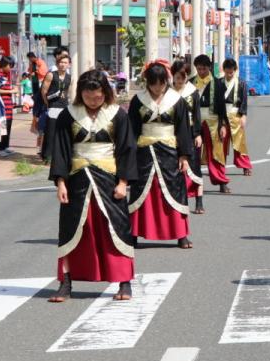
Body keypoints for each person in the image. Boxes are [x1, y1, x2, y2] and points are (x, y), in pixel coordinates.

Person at [48, 69, 138, 303]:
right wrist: (60, 182)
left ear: (105, 93)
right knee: (71, 230)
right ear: (81, 94)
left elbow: (127, 148)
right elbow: (60, 151)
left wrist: (123, 182)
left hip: (109, 178)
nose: (93, 101)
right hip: (76, 178)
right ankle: (65, 283)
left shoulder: (117, 114)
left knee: (116, 229)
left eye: (97, 97)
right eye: (88, 97)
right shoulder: (69, 115)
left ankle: (124, 281)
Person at [128, 62, 194, 250]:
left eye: (161, 84)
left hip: (170, 151)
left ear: (166, 81)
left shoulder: (176, 100)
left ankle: (181, 234)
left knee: (174, 189)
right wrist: (128, 154)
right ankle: (134, 234)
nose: (158, 88)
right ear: (147, 82)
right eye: (153, 84)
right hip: (144, 151)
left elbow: (183, 129)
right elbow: (132, 129)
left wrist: (184, 156)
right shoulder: (138, 100)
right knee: (142, 190)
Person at [192, 54, 231, 194]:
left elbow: (222, 107)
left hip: (213, 121)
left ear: (209, 67)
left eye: (203, 68)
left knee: (216, 153)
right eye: (198, 69)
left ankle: (221, 182)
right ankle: (190, 183)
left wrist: (223, 125)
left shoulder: (218, 84)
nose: (201, 72)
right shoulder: (190, 83)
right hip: (194, 121)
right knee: (191, 152)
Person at [171, 59, 206, 214]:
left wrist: (198, 134)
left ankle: (199, 201)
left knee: (195, 167)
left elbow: (197, 115)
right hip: (172, 134)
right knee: (174, 168)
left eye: (182, 77)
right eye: (177, 77)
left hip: (191, 132)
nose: (179, 81)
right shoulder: (167, 91)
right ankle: (177, 199)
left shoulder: (192, 91)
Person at [220, 58, 252, 177]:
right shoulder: (219, 83)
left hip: (236, 114)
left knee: (239, 143)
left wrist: (243, 116)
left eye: (231, 72)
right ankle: (220, 166)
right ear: (224, 70)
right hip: (222, 115)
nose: (229, 74)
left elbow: (244, 101)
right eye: (227, 72)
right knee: (221, 142)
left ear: (235, 70)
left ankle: (245, 165)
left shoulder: (241, 83)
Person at [40, 53, 73, 162]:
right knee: (50, 132)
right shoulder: (51, 75)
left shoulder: (70, 78)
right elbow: (44, 91)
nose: (63, 65)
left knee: (63, 132)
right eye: (61, 62)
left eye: (65, 63)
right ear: (57, 63)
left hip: (64, 106)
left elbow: (70, 93)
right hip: (53, 106)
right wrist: (48, 104)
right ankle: (47, 156)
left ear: (69, 65)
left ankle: (61, 155)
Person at [0, 56, 17, 154]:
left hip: (8, 106)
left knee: (7, 126)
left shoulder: (5, 75)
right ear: (5, 64)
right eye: (10, 65)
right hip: (0, 106)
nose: (11, 68)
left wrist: (12, 89)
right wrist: (11, 90)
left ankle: (4, 146)